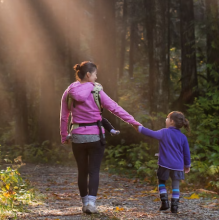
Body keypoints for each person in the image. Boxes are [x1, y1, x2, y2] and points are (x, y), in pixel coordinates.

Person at [60, 61, 141, 214]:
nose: (96, 77)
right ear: (89, 75)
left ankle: (84, 204)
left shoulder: (69, 91)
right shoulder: (97, 91)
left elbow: (64, 116)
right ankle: (91, 204)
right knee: (94, 170)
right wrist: (133, 122)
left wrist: (64, 136)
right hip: (96, 136)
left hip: (77, 136)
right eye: (95, 74)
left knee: (82, 171)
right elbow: (115, 108)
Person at [133, 111, 191, 213]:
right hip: (178, 166)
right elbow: (187, 153)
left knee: (161, 182)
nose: (166, 120)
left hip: (165, 164)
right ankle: (175, 206)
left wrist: (139, 128)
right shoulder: (183, 137)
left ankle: (164, 202)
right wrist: (187, 165)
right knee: (175, 185)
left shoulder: (164, 132)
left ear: (172, 121)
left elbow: (151, 133)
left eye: (167, 118)